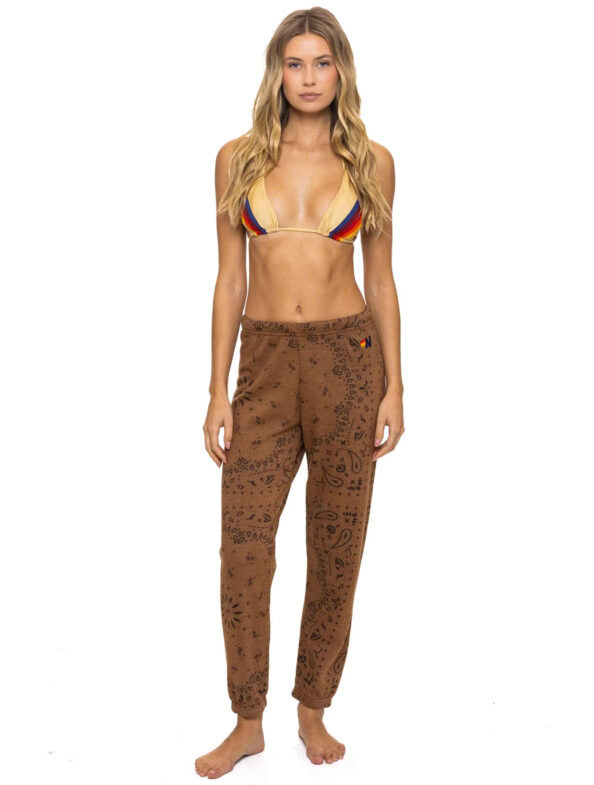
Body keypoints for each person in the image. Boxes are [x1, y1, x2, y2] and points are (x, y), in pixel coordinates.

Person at [196, 7, 404, 779]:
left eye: (322, 63)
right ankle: (247, 719)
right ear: (276, 72)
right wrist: (217, 389)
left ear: (340, 71)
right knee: (244, 543)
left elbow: (382, 280)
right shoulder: (238, 159)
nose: (309, 78)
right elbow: (229, 279)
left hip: (348, 359)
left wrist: (396, 385)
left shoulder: (372, 161)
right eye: (295, 63)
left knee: (336, 543)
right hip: (264, 363)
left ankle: (312, 707)